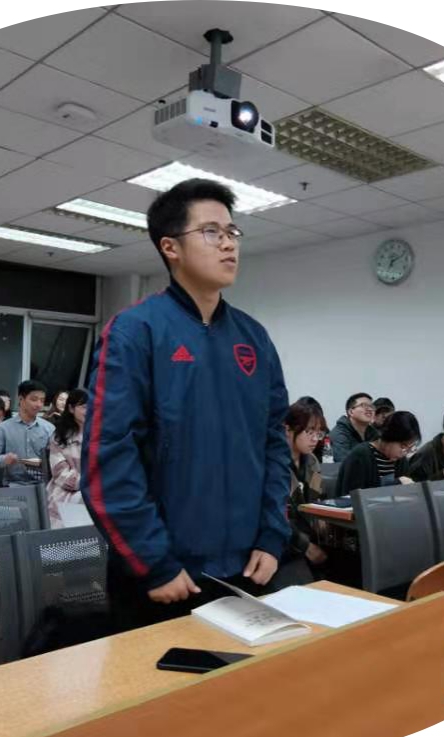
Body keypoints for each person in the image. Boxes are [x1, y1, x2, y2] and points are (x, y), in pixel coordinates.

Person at [81, 178, 291, 632]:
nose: (229, 244)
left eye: (233, 232)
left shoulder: (254, 337)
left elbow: (274, 444)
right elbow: (107, 460)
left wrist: (273, 537)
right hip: (164, 576)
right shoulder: (135, 331)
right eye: (212, 232)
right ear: (170, 247)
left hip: (248, 568)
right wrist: (153, 561)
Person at [285, 401, 328, 569]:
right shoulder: (274, 465)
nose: (315, 439)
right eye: (309, 431)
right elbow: (276, 517)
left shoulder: (311, 461)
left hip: (311, 536)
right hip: (285, 544)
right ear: (288, 429)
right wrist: (306, 546)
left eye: (319, 433)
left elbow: (319, 497)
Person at [0, 380, 54, 486]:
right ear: (21, 399)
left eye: (42, 401)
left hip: (42, 484)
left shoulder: (49, 428)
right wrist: (4, 459)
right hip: (13, 484)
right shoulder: (4, 428)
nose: (39, 405)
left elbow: (56, 459)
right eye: (34, 399)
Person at [336, 411, 420, 496]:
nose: (405, 452)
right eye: (403, 446)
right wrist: (396, 484)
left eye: (410, 448)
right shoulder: (360, 456)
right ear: (390, 437)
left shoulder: (400, 460)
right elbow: (353, 497)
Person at [46, 389, 88, 528]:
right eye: (84, 407)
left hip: (97, 490)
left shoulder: (102, 436)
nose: (89, 411)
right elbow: (60, 473)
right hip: (66, 490)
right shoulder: (59, 437)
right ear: (71, 408)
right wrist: (88, 484)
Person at [330, 393, 379, 462]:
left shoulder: (373, 433)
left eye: (371, 406)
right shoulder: (339, 433)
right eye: (363, 405)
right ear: (351, 412)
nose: (369, 409)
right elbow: (343, 462)